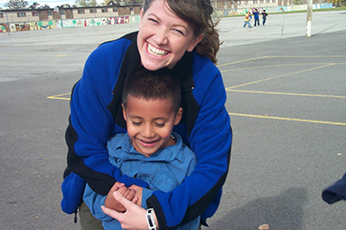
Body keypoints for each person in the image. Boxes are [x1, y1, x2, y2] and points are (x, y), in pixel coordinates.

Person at [61, 0, 233, 229]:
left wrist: (155, 213)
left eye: (177, 30)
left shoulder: (205, 79)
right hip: (105, 189)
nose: (160, 38)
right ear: (141, 16)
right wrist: (130, 197)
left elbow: (213, 165)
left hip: (175, 197)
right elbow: (84, 148)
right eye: (154, 21)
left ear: (194, 40)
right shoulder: (104, 63)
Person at [83, 66, 200, 230]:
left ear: (177, 116)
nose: (147, 133)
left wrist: (149, 201)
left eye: (159, 124)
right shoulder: (111, 149)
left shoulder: (186, 163)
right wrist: (107, 203)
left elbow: (190, 221)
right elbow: (91, 196)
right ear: (125, 113)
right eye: (137, 122)